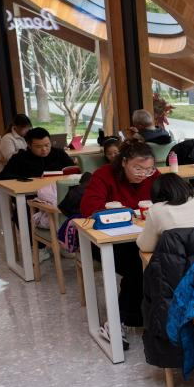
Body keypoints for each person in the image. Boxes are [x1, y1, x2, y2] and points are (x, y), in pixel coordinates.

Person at [80, 139, 161, 336]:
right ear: (124, 162)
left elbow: (167, 199)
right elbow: (89, 207)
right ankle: (119, 321)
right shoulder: (104, 175)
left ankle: (148, 316)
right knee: (138, 265)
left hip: (141, 238)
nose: (143, 174)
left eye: (148, 169)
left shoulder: (153, 176)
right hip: (106, 240)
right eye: (137, 169)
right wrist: (125, 213)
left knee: (160, 261)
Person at [136, 173, 194, 253]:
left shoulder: (156, 209)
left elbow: (146, 247)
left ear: (156, 193)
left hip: (181, 261)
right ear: (185, 186)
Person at [0, 127, 76, 184]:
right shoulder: (20, 158)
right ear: (29, 145)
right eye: (38, 146)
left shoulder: (59, 153)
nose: (44, 149)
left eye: (47, 145)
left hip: (58, 192)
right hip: (30, 196)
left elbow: (73, 170)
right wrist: (25, 179)